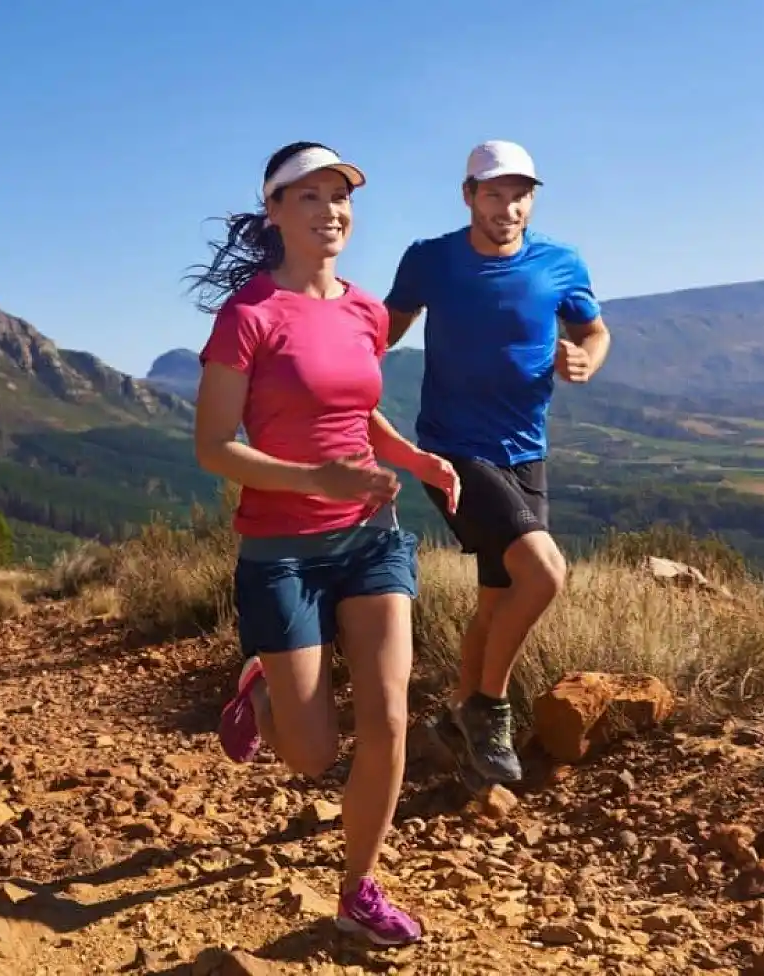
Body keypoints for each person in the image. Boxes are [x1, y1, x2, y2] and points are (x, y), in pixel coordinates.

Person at [187, 140, 461, 947]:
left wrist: (411, 459)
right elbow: (213, 447)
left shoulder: (365, 309)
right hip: (281, 552)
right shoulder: (248, 316)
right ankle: (261, 688)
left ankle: (358, 889)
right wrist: (319, 479)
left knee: (388, 716)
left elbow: (352, 407)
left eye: (340, 196)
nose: (330, 210)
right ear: (274, 211)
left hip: (372, 539)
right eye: (309, 197)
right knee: (310, 757)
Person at [383, 140, 611, 787]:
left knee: (498, 599)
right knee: (543, 573)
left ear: (531, 198)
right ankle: (488, 707)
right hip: (454, 450)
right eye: (493, 193)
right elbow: (378, 333)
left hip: (526, 450)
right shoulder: (432, 261)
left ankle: (458, 721)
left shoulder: (560, 264)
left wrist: (586, 357)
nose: (507, 206)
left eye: (519, 193)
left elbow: (593, 331)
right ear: (468, 196)